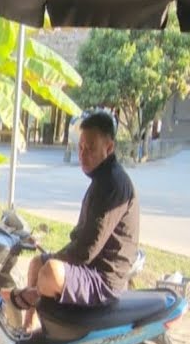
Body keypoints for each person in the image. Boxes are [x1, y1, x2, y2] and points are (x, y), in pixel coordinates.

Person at [8, 111, 138, 332]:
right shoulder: (102, 178)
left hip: (104, 279)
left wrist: (54, 263)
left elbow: (86, 251)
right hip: (92, 267)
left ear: (109, 147)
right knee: (37, 263)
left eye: (91, 148)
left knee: (49, 272)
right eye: (81, 147)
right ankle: (29, 329)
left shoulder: (112, 184)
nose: (83, 154)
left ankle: (38, 318)